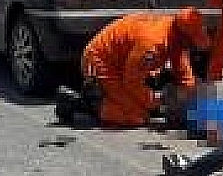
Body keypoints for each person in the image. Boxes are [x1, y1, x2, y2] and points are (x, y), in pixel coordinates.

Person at [56, 8, 211, 127]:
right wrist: (157, 103)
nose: (193, 48)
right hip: (100, 62)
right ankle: (78, 103)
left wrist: (191, 98)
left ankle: (109, 99)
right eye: (192, 43)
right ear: (183, 37)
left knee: (146, 105)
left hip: (125, 66)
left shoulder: (175, 34)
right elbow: (132, 82)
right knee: (137, 116)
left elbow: (183, 71)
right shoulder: (153, 44)